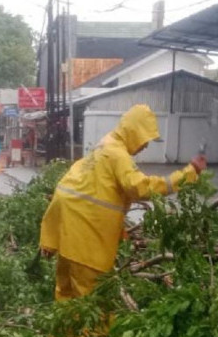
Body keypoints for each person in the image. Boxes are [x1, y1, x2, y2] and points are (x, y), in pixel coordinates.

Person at [40, 104, 207, 301]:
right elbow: (141, 188)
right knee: (95, 302)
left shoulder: (104, 146)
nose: (145, 146)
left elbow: (65, 193)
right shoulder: (117, 153)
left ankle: (62, 333)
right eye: (145, 139)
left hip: (69, 239)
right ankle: (96, 334)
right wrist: (188, 174)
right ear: (135, 132)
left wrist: (49, 239)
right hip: (88, 243)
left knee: (66, 295)